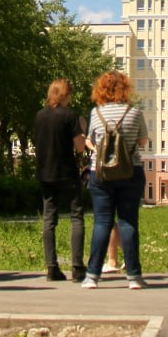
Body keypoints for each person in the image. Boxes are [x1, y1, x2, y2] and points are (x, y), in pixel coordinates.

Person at [81, 70, 149, 291]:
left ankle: (92, 276)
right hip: (131, 171)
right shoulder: (135, 112)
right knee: (128, 222)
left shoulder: (96, 113)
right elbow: (141, 142)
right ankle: (134, 277)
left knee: (102, 222)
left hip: (100, 173)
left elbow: (91, 141)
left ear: (101, 90)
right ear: (125, 88)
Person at [33, 78, 85, 282]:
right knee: (76, 216)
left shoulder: (40, 115)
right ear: (65, 95)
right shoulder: (70, 115)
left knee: (49, 219)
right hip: (67, 172)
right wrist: (81, 129)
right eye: (70, 93)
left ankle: (51, 267)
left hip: (45, 172)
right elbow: (80, 146)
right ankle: (78, 267)